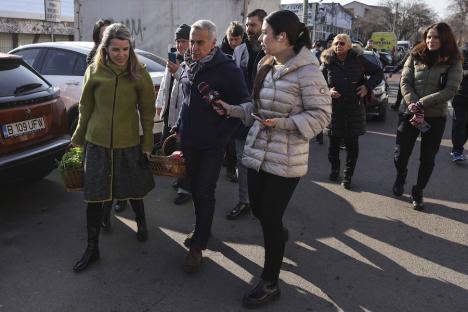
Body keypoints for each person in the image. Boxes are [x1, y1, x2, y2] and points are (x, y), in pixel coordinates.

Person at [215, 10, 331, 307]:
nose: (259, 37)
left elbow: (321, 117)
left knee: (269, 217)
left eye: (264, 32)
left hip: (286, 158)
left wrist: (283, 124)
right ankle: (278, 233)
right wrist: (232, 109)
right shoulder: (267, 63)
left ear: (282, 37)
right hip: (257, 151)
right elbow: (256, 106)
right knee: (261, 212)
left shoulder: (308, 71)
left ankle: (270, 281)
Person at [71, 23, 156, 272]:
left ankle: (141, 222)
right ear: (105, 49)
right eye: (115, 49)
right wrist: (77, 138)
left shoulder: (139, 72)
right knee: (94, 196)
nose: (121, 54)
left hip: (128, 142)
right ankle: (92, 248)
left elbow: (148, 112)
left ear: (131, 49)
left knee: (133, 188)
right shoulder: (94, 70)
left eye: (125, 49)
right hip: (96, 143)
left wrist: (147, 143)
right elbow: (84, 108)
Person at [174, 20, 250, 272]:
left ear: (214, 43)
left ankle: (198, 246)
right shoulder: (188, 64)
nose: (193, 47)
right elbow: (187, 100)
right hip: (190, 141)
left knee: (205, 191)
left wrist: (222, 135)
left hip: (212, 145)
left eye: (200, 42)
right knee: (195, 189)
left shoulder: (228, 69)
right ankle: (201, 228)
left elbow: (243, 105)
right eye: (192, 41)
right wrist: (179, 125)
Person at [393, 22, 463, 210]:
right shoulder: (415, 54)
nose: (431, 40)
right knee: (400, 154)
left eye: (436, 37)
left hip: (435, 117)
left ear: (445, 39)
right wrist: (413, 104)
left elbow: (451, 89)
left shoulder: (454, 61)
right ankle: (401, 176)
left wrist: (421, 104)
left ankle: (418, 191)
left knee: (427, 158)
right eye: (429, 36)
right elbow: (404, 81)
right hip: (409, 112)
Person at [321, 34, 383, 189]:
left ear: (349, 46)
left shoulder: (358, 59)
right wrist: (328, 91)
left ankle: (348, 176)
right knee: (333, 146)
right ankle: (335, 169)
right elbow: (316, 82)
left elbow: (378, 73)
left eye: (342, 43)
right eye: (336, 43)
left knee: (352, 145)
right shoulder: (328, 62)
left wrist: (366, 87)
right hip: (334, 109)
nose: (338, 46)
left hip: (354, 108)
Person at [226, 8, 267, 220]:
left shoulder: (271, 51)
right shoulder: (240, 49)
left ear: (263, 25)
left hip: (266, 115)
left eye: (253, 25)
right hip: (243, 112)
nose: (249, 29)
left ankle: (263, 202)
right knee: (243, 159)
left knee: (263, 162)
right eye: (248, 25)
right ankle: (245, 201)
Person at [86, 18, 128, 223]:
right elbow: (87, 104)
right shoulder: (92, 62)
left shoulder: (129, 65)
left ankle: (125, 206)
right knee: (100, 181)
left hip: (122, 134)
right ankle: (103, 217)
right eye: (103, 34)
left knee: (121, 176)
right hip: (99, 133)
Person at [155, 23, 192, 205]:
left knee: (184, 150)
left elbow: (188, 86)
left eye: (183, 41)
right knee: (171, 148)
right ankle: (179, 178)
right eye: (178, 41)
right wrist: (160, 104)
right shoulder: (173, 59)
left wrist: (178, 70)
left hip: (184, 114)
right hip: (170, 111)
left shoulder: (191, 62)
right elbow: (164, 84)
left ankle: (185, 188)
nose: (180, 45)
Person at [219, 21, 247, 183]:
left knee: (233, 136)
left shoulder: (246, 50)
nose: (234, 43)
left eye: (237, 40)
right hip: (222, 97)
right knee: (223, 136)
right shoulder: (221, 51)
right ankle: (225, 162)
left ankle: (231, 167)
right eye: (231, 39)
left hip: (237, 98)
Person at [450, 47, 468, 162]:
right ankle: (457, 151)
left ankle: (458, 149)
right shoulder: (463, 53)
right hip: (461, 96)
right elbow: (457, 71)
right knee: (459, 123)